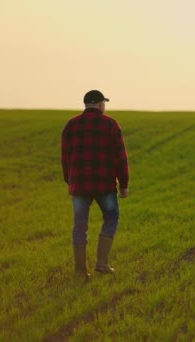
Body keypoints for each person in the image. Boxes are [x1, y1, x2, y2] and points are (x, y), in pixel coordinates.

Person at [61, 90, 129, 280]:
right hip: (104, 184)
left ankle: (81, 272)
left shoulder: (71, 126)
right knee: (111, 216)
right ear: (100, 105)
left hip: (79, 186)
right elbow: (120, 158)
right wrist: (124, 184)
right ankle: (102, 263)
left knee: (80, 226)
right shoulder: (110, 125)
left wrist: (71, 181)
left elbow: (65, 158)